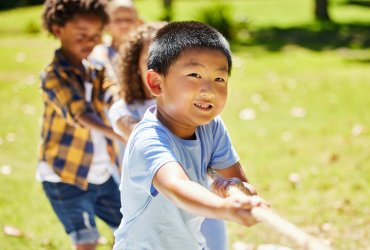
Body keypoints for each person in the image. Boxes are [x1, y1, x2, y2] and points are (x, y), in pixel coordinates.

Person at [113, 21, 268, 250]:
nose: (209, 90)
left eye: (219, 79)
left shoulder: (211, 127)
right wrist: (224, 208)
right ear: (156, 83)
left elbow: (238, 180)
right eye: (194, 74)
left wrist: (241, 193)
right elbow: (176, 185)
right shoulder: (148, 138)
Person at [38, 1, 124, 249]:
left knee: (130, 227)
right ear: (58, 30)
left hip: (103, 173)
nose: (90, 41)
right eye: (82, 35)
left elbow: (113, 91)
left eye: (97, 35)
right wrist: (116, 132)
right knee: (87, 240)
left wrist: (125, 106)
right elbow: (79, 113)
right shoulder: (54, 75)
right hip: (65, 176)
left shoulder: (96, 69)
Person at [89, 0, 143, 82]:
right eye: (117, 20)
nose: (124, 25)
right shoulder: (101, 52)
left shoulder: (143, 52)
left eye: (129, 20)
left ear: (138, 23)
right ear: (106, 25)